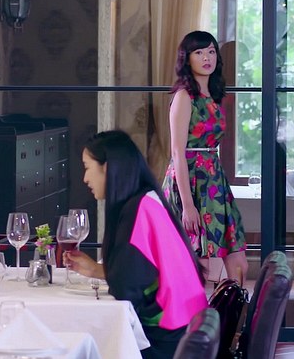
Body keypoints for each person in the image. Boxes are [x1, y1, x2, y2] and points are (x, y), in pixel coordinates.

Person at [64, 130, 207, 359]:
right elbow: (143, 275)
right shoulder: (147, 199)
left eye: (87, 167)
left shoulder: (136, 212)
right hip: (188, 327)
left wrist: (106, 273)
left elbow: (127, 289)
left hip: (165, 340)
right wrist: (97, 270)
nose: (85, 179)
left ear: (107, 168)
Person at [161, 30, 248, 284]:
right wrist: (188, 205)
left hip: (213, 179)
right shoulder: (184, 96)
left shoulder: (215, 95)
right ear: (187, 59)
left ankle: (236, 309)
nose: (206, 57)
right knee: (197, 263)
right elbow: (177, 152)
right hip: (189, 180)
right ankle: (194, 310)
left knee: (238, 261)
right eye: (198, 52)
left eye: (211, 51)